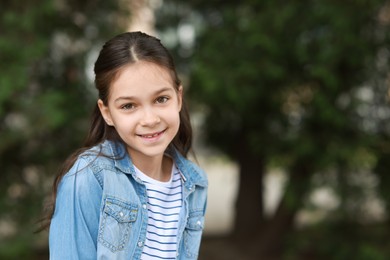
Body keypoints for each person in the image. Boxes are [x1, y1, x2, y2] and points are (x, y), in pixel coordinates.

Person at [47, 31, 208, 259]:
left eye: (161, 99)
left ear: (179, 98)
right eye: (129, 106)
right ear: (107, 113)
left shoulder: (194, 183)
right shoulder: (87, 178)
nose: (150, 119)